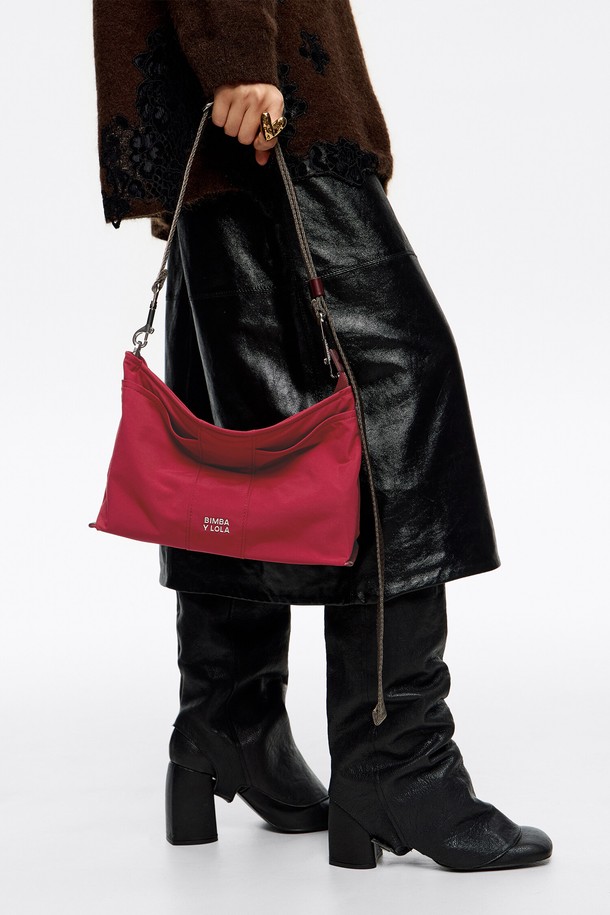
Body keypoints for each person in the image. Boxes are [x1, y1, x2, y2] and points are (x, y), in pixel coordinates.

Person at [92, 1, 553, 870]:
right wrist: (237, 54)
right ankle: (396, 760)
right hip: (263, 98)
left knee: (237, 424)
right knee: (396, 398)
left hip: (213, 110)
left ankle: (227, 725)